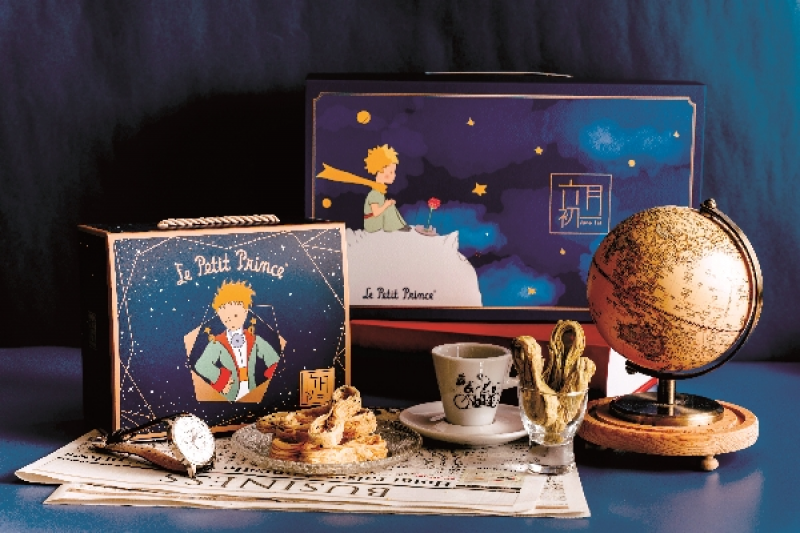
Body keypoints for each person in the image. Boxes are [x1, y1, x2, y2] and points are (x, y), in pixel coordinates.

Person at [195, 280, 280, 402]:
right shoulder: (217, 343)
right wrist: (221, 378)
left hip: (253, 390)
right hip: (230, 393)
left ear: (245, 311)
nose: (231, 321)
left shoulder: (254, 339)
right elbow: (201, 365)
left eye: (235, 316)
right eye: (226, 319)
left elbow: (272, 359)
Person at [362, 144, 411, 233]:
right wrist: (386, 204)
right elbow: (376, 212)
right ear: (380, 171)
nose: (394, 175)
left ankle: (401, 225)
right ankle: (398, 226)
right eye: (391, 172)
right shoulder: (374, 193)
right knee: (389, 206)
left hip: (376, 220)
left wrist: (388, 204)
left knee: (390, 205)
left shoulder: (379, 191)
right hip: (372, 224)